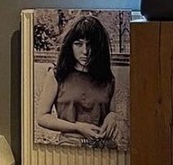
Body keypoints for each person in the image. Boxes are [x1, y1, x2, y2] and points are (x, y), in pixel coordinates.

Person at [37, 15, 119, 146]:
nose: (85, 51)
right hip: (70, 146)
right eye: (78, 44)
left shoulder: (108, 79)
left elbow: (112, 111)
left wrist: (113, 116)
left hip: (105, 148)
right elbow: (42, 117)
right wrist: (77, 127)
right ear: (70, 45)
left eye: (90, 44)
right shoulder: (57, 75)